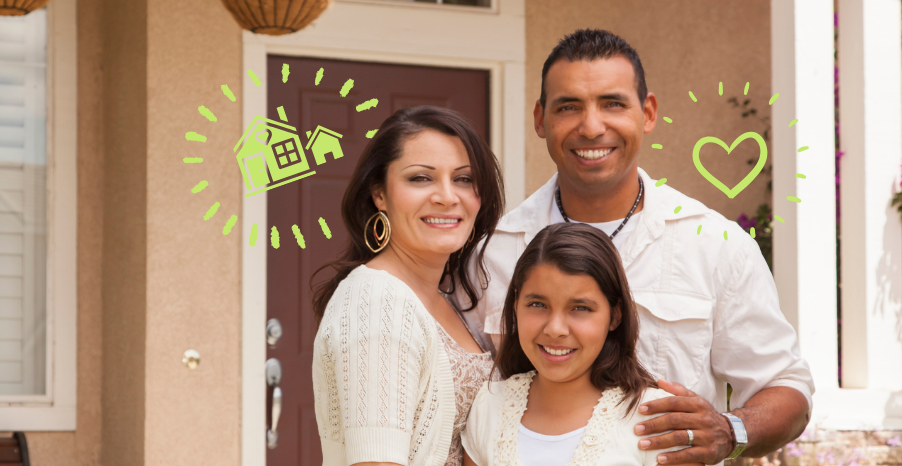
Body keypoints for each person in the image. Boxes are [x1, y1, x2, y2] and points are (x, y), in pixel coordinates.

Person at [468, 29, 814, 465]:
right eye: (568, 106)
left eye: (612, 103)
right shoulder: (492, 254)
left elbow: (786, 387)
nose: (592, 127)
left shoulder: (715, 246)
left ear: (648, 113)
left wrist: (730, 430)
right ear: (540, 119)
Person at [311, 105, 505, 466]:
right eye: (420, 178)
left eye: (464, 179)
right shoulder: (376, 300)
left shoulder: (445, 298)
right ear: (379, 194)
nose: (447, 196)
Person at [461, 223, 687, 466]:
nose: (555, 329)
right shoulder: (488, 406)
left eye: (580, 308)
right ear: (516, 304)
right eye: (538, 304)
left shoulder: (657, 419)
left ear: (615, 315)